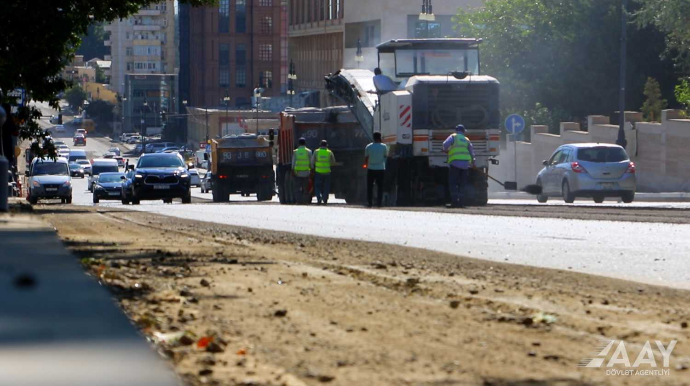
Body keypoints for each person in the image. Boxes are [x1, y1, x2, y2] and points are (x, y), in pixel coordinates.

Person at [443, 124, 475, 208]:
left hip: (455, 164)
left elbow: (445, 144)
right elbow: (471, 152)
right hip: (465, 165)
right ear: (463, 131)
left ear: (456, 131)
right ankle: (461, 203)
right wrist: (473, 162)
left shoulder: (453, 137)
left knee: (453, 183)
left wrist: (446, 150)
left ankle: (454, 202)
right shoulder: (466, 139)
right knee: (462, 184)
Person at [365, 132, 388, 207]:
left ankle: (369, 202)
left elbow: (366, 158)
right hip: (381, 168)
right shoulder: (384, 146)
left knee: (370, 187)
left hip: (371, 168)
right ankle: (379, 203)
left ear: (373, 138)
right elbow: (385, 156)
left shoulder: (368, 146)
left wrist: (366, 164)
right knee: (380, 187)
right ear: (380, 138)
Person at [311, 140, 336, 205]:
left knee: (317, 186)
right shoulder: (329, 152)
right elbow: (333, 162)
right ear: (326, 145)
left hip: (318, 172)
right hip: (327, 172)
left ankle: (319, 198)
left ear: (320, 145)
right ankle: (325, 199)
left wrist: (312, 168)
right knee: (326, 186)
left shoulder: (316, 152)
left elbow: (312, 162)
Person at [291, 137, 312, 204]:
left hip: (298, 173)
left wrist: (293, 170)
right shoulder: (309, 151)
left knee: (297, 188)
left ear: (299, 143)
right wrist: (312, 170)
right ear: (305, 143)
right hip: (306, 172)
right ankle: (305, 201)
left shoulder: (295, 152)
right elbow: (311, 163)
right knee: (305, 188)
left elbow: (293, 163)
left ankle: (299, 201)